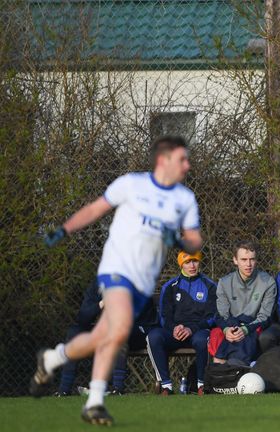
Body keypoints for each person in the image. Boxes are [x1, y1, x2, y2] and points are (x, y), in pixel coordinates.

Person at [32, 135, 202, 425]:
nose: (187, 165)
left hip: (142, 284)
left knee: (101, 336)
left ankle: (52, 359)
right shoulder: (131, 184)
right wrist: (64, 229)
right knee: (120, 327)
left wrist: (179, 241)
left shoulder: (184, 199)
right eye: (182, 159)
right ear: (163, 160)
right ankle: (95, 402)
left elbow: (195, 241)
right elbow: (94, 209)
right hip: (116, 270)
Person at [56, 280, 157, 396]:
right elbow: (83, 318)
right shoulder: (98, 285)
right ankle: (64, 390)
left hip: (138, 329)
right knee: (74, 333)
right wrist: (101, 304)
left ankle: (117, 389)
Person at [147, 251, 217, 396]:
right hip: (175, 332)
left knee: (203, 340)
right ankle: (166, 386)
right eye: (187, 262)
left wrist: (191, 329)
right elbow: (164, 316)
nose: (192, 266)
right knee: (153, 336)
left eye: (195, 261)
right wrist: (174, 328)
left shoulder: (210, 286)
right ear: (181, 264)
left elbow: (212, 317)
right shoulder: (170, 286)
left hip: (197, 331)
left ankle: (202, 385)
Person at [213, 241, 276, 365]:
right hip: (232, 326)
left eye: (252, 259)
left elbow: (265, 316)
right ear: (235, 260)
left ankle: (231, 365)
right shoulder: (224, 283)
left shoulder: (268, 282)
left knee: (247, 335)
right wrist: (226, 330)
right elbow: (222, 314)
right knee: (217, 335)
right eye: (244, 259)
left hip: (254, 326)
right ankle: (228, 368)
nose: (248, 264)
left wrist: (246, 329)